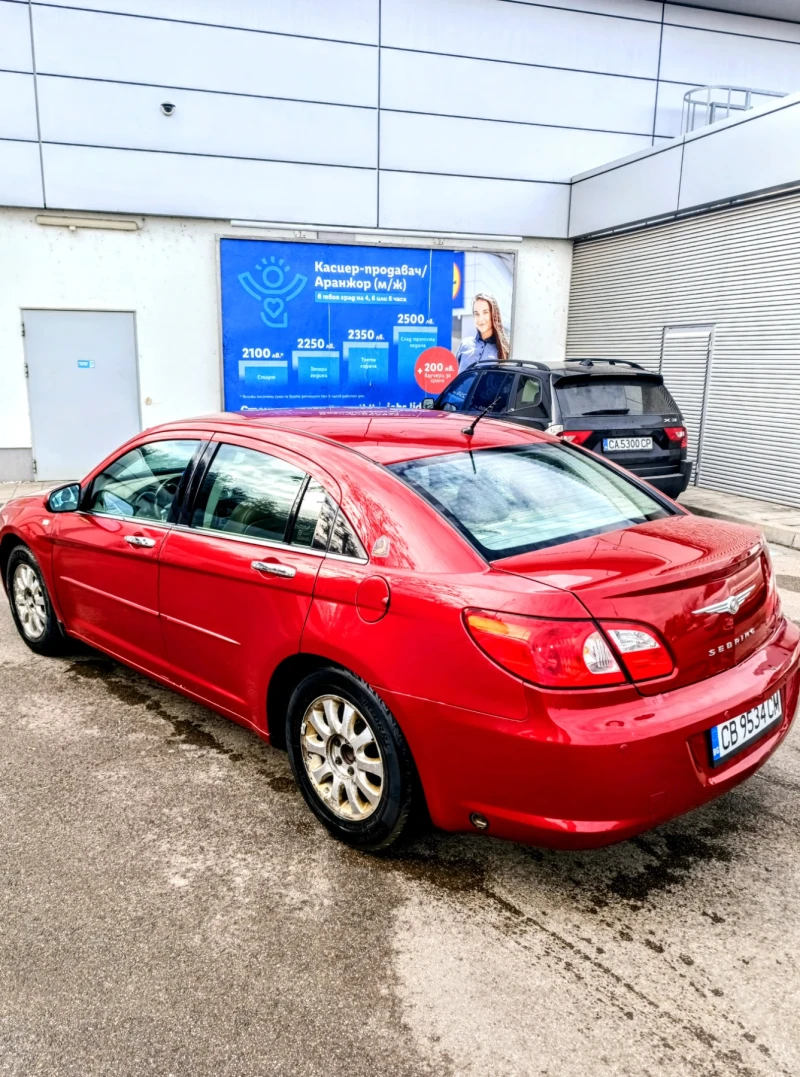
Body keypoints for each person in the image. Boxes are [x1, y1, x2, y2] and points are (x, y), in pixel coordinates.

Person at [455, 293, 510, 372]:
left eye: (485, 312)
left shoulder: (505, 350)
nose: (481, 318)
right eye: (476, 314)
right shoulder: (465, 344)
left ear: (494, 314)